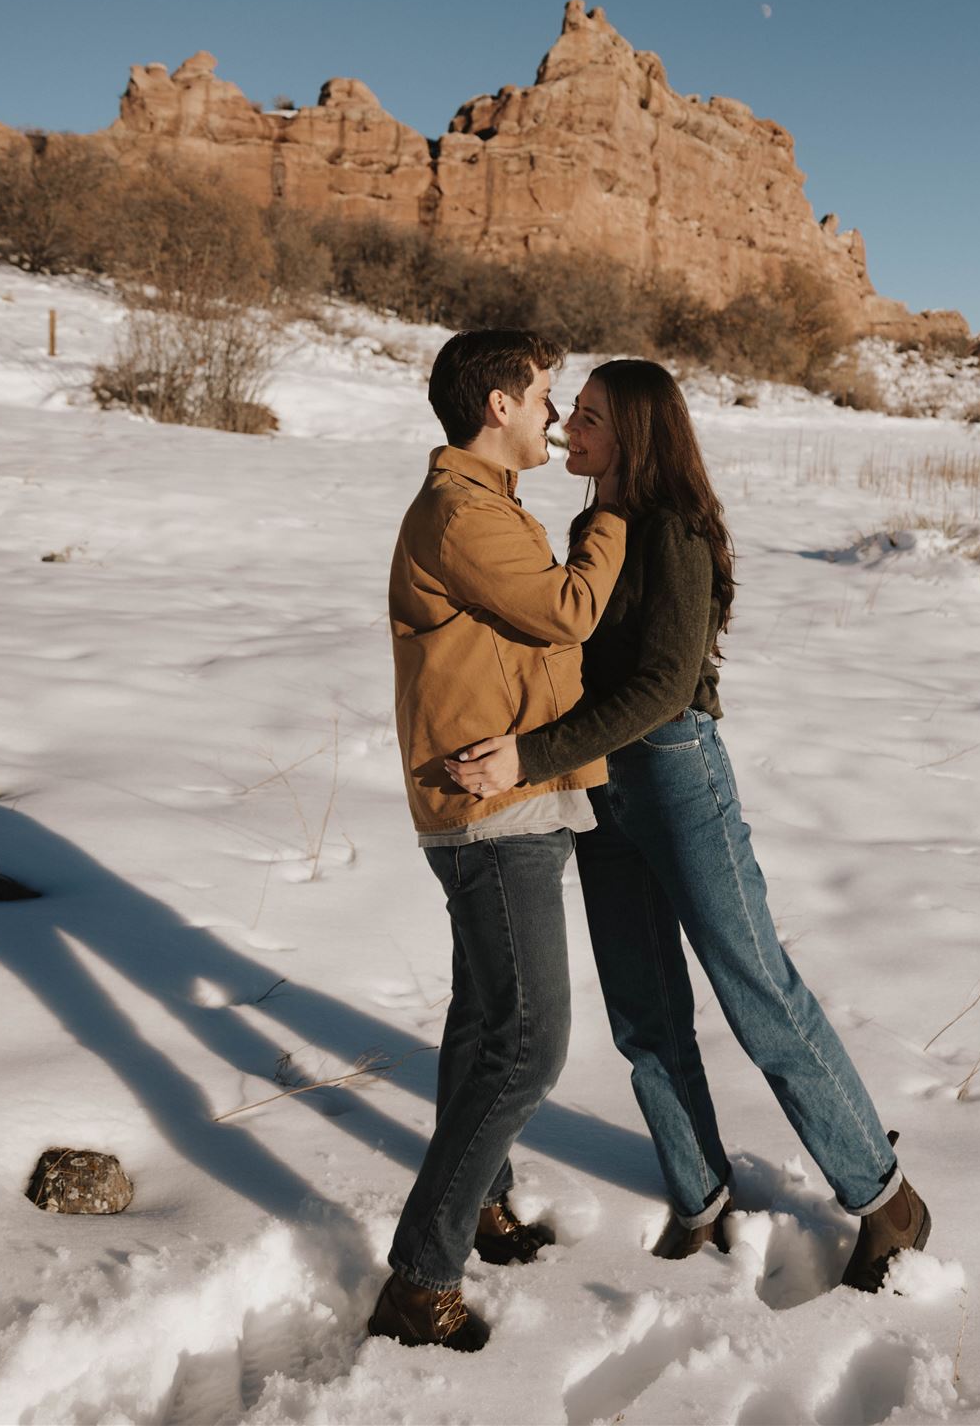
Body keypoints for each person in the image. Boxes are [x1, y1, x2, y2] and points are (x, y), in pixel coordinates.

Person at [450, 358, 931, 1293]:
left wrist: (533, 755)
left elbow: (664, 686)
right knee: (642, 1011)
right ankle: (702, 1200)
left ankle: (883, 1199)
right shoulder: (597, 525)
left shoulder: (671, 531)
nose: (567, 430)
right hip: (601, 784)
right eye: (569, 413)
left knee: (757, 991)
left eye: (588, 418)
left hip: (674, 775)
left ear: (635, 434)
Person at [366, 330, 627, 1352]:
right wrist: (610, 511)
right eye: (544, 397)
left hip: (505, 794)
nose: (556, 417)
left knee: (483, 1021)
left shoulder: (487, 506)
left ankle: (479, 1199)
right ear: (497, 403)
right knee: (531, 1040)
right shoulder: (463, 510)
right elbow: (567, 610)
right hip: (489, 808)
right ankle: (419, 1276)